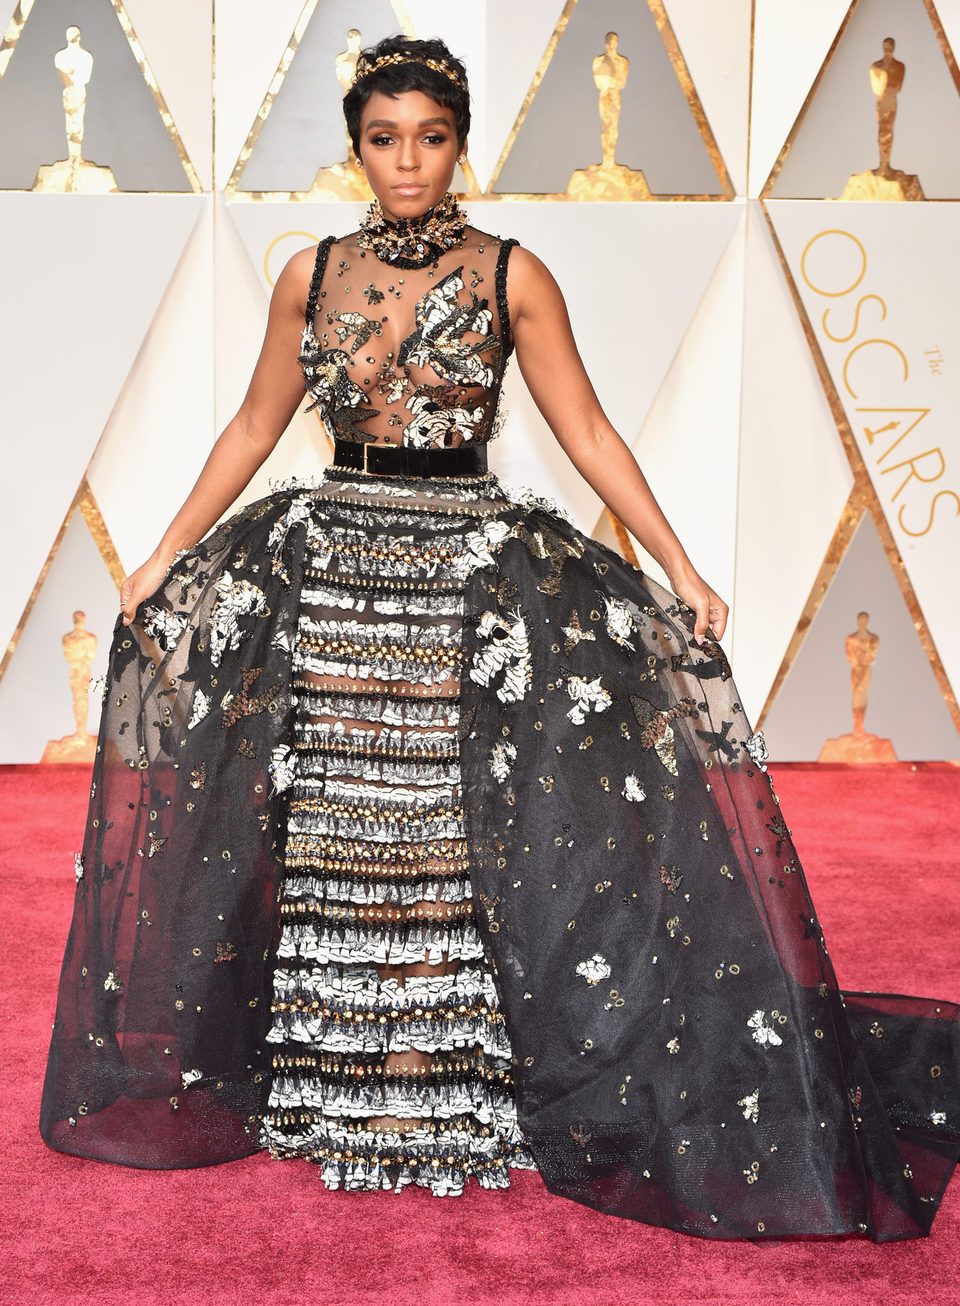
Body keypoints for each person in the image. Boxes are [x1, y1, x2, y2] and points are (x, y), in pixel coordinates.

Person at [40, 34, 958, 1241]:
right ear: (356, 146)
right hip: (335, 566)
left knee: (437, 824)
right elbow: (255, 424)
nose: (406, 161)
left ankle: (445, 1082)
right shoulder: (307, 272)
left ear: (460, 142)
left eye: (430, 137)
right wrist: (160, 552)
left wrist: (677, 561)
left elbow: (587, 432)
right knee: (336, 816)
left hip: (466, 572)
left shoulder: (511, 274)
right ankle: (341, 1080)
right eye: (383, 138)